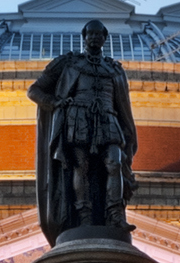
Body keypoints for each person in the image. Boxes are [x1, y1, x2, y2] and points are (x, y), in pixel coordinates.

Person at [26, 18, 140, 242]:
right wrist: (56, 103)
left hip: (108, 119)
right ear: (84, 37)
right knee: (81, 167)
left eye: (99, 34)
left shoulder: (114, 69)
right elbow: (34, 90)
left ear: (105, 38)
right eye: (91, 34)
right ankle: (84, 216)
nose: (95, 38)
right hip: (78, 119)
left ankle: (115, 216)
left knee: (114, 162)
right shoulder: (68, 63)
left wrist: (129, 134)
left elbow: (123, 105)